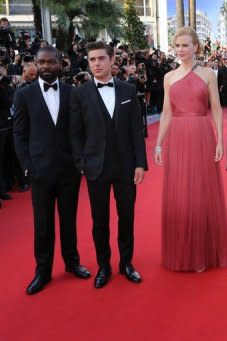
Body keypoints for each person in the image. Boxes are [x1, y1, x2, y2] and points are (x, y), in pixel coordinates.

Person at [69, 41, 148, 289]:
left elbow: (137, 130)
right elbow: (75, 133)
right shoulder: (79, 94)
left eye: (101, 58)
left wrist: (140, 163)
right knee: (99, 220)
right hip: (96, 168)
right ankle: (104, 265)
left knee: (127, 217)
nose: (97, 64)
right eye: (92, 60)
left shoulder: (127, 89)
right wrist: (81, 162)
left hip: (126, 166)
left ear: (112, 59)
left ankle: (126, 263)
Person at [12, 46, 90, 295]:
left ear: (61, 64)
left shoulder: (72, 93)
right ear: (35, 64)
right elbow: (20, 133)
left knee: (69, 220)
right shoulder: (24, 95)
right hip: (40, 171)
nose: (45, 66)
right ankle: (42, 272)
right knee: (42, 224)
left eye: (50, 62)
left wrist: (80, 162)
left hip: (69, 170)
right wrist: (27, 166)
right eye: (41, 62)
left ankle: (72, 262)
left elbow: (80, 129)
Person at [154, 27, 227, 272]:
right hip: (177, 135)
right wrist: (158, 143)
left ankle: (202, 252)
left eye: (185, 45)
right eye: (177, 46)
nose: (180, 50)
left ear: (196, 47)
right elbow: (166, 112)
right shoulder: (168, 77)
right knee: (180, 193)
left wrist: (219, 139)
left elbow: (216, 108)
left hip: (200, 133)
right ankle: (183, 251)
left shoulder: (208, 73)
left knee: (200, 192)